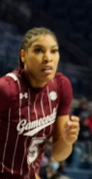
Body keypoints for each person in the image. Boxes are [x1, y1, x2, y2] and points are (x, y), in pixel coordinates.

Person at [0, 27, 79, 179]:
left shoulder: (62, 86)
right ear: (23, 55)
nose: (48, 58)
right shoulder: (7, 88)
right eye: (38, 50)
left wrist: (68, 140)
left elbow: (58, 154)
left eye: (54, 51)